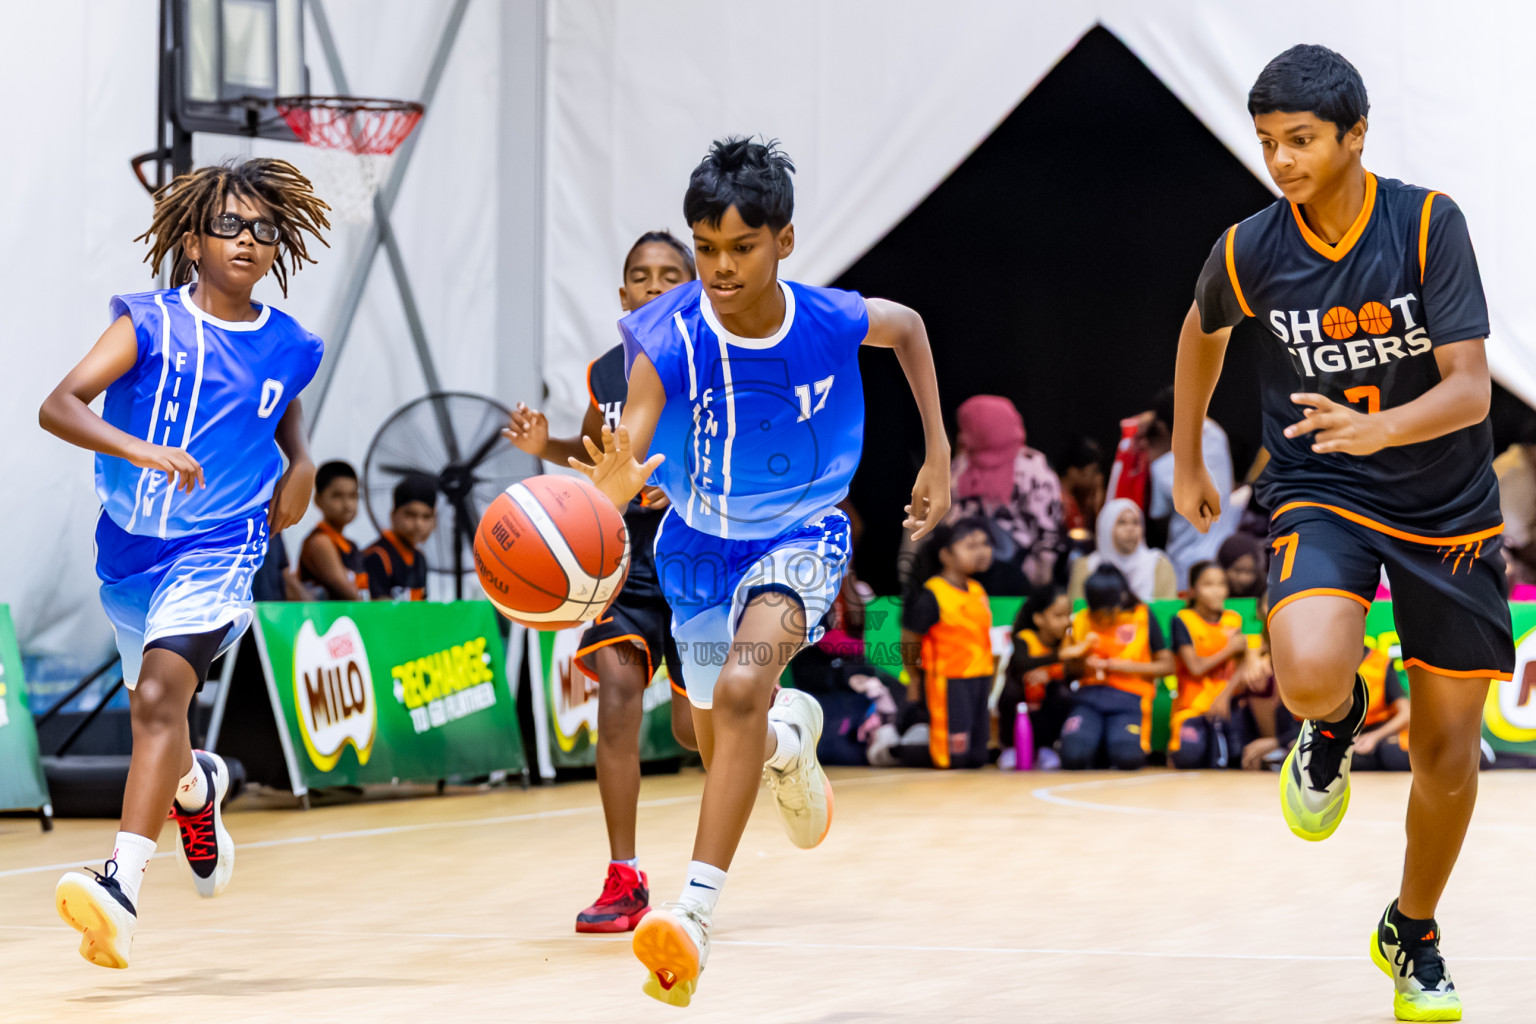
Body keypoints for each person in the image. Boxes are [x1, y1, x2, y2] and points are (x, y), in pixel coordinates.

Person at [1173, 44, 1513, 1020]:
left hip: (1447, 507)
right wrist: (1192, 457)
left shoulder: (1424, 224)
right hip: (1324, 484)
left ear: (1355, 136)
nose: (1282, 161)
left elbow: (1467, 388)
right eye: (1270, 143)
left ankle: (1412, 927)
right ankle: (1333, 719)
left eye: (1303, 141)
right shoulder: (1250, 249)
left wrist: (1381, 427)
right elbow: (1202, 328)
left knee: (1447, 755)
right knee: (1311, 666)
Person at [570, 137, 948, 1006]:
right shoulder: (663, 330)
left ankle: (692, 914)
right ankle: (790, 742)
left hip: (803, 530)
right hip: (697, 544)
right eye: (706, 248)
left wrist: (938, 451)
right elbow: (635, 434)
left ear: (783, 240)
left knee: (742, 690)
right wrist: (610, 484)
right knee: (706, 737)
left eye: (741, 247)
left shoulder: (828, 317)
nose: (719, 267)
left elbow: (912, 330)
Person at [39, 159, 328, 968]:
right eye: (231, 224)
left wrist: (300, 464)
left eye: (265, 228)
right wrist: (140, 449)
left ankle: (121, 887)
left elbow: (281, 406)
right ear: (194, 237)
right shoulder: (145, 321)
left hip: (222, 541)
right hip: (130, 549)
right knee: (162, 724)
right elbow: (58, 404)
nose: (248, 239)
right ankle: (196, 786)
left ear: (280, 245)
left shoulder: (290, 342)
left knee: (162, 693)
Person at [503, 229, 700, 934]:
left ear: (695, 285)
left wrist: (677, 492)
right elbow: (594, 456)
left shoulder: (714, 361)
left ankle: (775, 740)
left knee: (690, 729)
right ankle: (625, 877)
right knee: (615, 696)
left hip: (699, 559)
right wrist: (544, 448)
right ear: (623, 296)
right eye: (640, 276)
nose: (653, 286)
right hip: (624, 565)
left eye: (669, 274)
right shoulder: (605, 374)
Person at [898, 518, 995, 769]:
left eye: (984, 544)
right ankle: (896, 749)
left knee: (978, 757)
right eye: (970, 546)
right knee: (954, 757)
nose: (981, 551)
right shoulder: (932, 594)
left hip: (980, 676)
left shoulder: (977, 590)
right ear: (946, 555)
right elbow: (909, 640)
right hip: (949, 681)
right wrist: (915, 679)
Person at [1059, 565, 1176, 770]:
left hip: (1129, 698)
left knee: (1127, 757)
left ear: (1120, 600)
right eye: (1096, 612)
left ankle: (1110, 742)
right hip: (1089, 697)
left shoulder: (1142, 615)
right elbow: (1069, 671)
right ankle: (1093, 741)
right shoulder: (1081, 619)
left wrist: (1122, 666)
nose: (1101, 619)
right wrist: (1081, 661)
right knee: (1073, 756)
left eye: (1105, 613)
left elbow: (1168, 665)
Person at [948, 394, 1063, 591]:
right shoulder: (960, 465)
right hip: (964, 578)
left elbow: (1047, 533)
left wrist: (1041, 584)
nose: (961, 436)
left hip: (1019, 580)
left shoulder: (1033, 469)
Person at [1145, 386, 1239, 585]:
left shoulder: (1161, 468)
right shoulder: (1217, 436)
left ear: (1161, 427)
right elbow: (1198, 417)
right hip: (1223, 556)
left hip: (1184, 565)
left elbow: (1158, 518)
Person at [998, 583, 1089, 770]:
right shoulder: (1026, 638)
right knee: (1010, 693)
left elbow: (1076, 672)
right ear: (1039, 619)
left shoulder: (1068, 641)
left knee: (1063, 695)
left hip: (1047, 710)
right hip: (1021, 704)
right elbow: (1021, 663)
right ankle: (1011, 747)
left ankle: (1046, 747)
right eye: (1058, 615)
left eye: (1068, 615)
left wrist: (1050, 674)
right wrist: (1060, 656)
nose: (1065, 621)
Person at [1168, 561, 1249, 769]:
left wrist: (1224, 696)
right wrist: (1228, 649)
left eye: (1221, 584)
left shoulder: (1234, 620)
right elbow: (1195, 668)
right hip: (1193, 707)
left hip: (1227, 704)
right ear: (1193, 591)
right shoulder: (1182, 620)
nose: (1217, 591)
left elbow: (1243, 665)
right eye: (1208, 585)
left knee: (1235, 758)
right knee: (1188, 757)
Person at [1068, 498, 1178, 604]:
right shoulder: (1086, 566)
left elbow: (1167, 613)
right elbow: (1078, 612)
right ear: (1107, 527)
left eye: (1135, 522)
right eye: (1122, 522)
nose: (1130, 529)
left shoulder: (1158, 564)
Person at [299, 460, 366, 600]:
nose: (347, 504)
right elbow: (349, 593)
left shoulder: (351, 545)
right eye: (337, 496)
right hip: (328, 620)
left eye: (353, 495)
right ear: (317, 500)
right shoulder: (320, 541)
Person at [362, 474, 436, 601]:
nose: (418, 524)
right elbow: (380, 609)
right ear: (393, 516)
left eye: (426, 517)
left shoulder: (420, 559)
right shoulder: (378, 556)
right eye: (410, 515)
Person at [1353, 645, 1412, 771]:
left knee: (1392, 755)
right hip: (1339, 733)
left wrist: (1374, 737)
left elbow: (1406, 713)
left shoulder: (1380, 662)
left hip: (1374, 731)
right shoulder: (1327, 661)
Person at [1054, 435, 1106, 542]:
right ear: (1073, 472)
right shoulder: (1060, 502)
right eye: (1093, 471)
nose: (1097, 477)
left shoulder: (1075, 499)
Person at [1217, 531, 1268, 599]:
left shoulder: (1266, 594)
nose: (1244, 579)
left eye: (1251, 571)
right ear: (1222, 568)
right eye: (1238, 571)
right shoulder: (1211, 592)